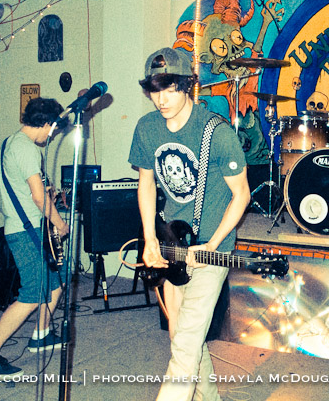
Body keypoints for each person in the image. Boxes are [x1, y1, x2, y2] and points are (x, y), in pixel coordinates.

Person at [129, 47, 250, 401]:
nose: (162, 100)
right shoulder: (147, 128)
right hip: (173, 242)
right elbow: (146, 183)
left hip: (213, 248)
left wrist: (211, 245)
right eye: (155, 90)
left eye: (170, 89)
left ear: (187, 86)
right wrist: (151, 238)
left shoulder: (217, 132)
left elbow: (241, 195)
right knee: (181, 337)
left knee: (184, 346)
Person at [0, 97, 70, 379]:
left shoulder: (10, 143)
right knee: (32, 293)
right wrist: (60, 223)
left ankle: (41, 334)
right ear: (46, 123)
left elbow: (18, 187)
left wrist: (46, 195)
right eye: (53, 129)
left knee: (58, 279)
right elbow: (39, 198)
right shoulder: (28, 149)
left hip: (30, 226)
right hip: (26, 230)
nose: (52, 135)